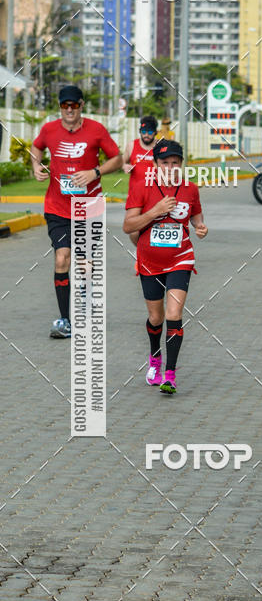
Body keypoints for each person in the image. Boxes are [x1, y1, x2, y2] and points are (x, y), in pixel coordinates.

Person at [31, 84, 122, 338]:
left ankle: (86, 308)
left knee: (85, 264)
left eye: (74, 105)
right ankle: (64, 320)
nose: (69, 110)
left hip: (89, 205)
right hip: (58, 207)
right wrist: (36, 166)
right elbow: (36, 147)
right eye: (64, 105)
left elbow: (117, 158)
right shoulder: (49, 130)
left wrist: (95, 172)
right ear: (60, 107)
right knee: (62, 257)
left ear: (81, 106)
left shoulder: (96, 130)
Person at [123, 139, 208, 394]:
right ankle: (155, 359)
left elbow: (197, 218)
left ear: (181, 164)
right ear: (155, 164)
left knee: (173, 315)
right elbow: (128, 226)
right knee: (156, 317)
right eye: (164, 163)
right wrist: (155, 211)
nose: (170, 167)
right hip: (149, 262)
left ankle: (169, 375)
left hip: (180, 258)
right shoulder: (141, 187)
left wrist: (200, 228)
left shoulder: (190, 189)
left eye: (175, 162)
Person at [123, 115, 160, 248]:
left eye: (150, 132)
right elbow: (122, 161)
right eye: (143, 132)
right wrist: (125, 166)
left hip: (156, 194)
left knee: (156, 228)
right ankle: (143, 253)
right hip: (136, 196)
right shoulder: (132, 145)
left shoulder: (160, 146)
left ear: (155, 132)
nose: (146, 135)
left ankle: (155, 257)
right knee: (134, 231)